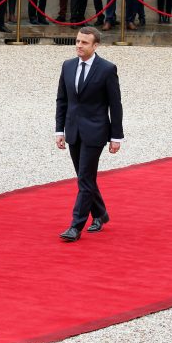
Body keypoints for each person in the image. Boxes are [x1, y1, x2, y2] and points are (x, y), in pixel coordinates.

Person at [55, 26, 123, 242]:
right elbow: (62, 100)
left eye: (84, 43)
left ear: (95, 45)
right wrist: (59, 130)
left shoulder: (107, 69)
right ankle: (101, 214)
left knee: (84, 178)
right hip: (73, 130)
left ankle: (76, 226)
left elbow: (115, 105)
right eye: (77, 41)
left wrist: (116, 136)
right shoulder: (68, 66)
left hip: (96, 132)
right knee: (85, 178)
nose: (79, 46)